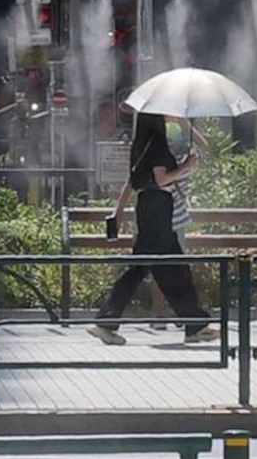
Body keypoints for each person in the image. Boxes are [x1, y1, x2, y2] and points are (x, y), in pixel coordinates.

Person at [90, 110, 217, 346]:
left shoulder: (144, 144)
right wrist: (184, 166)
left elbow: (136, 181)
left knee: (141, 268)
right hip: (158, 209)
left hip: (149, 209)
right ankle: (194, 325)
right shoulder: (158, 144)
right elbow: (162, 180)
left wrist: (118, 212)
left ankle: (106, 322)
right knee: (174, 267)